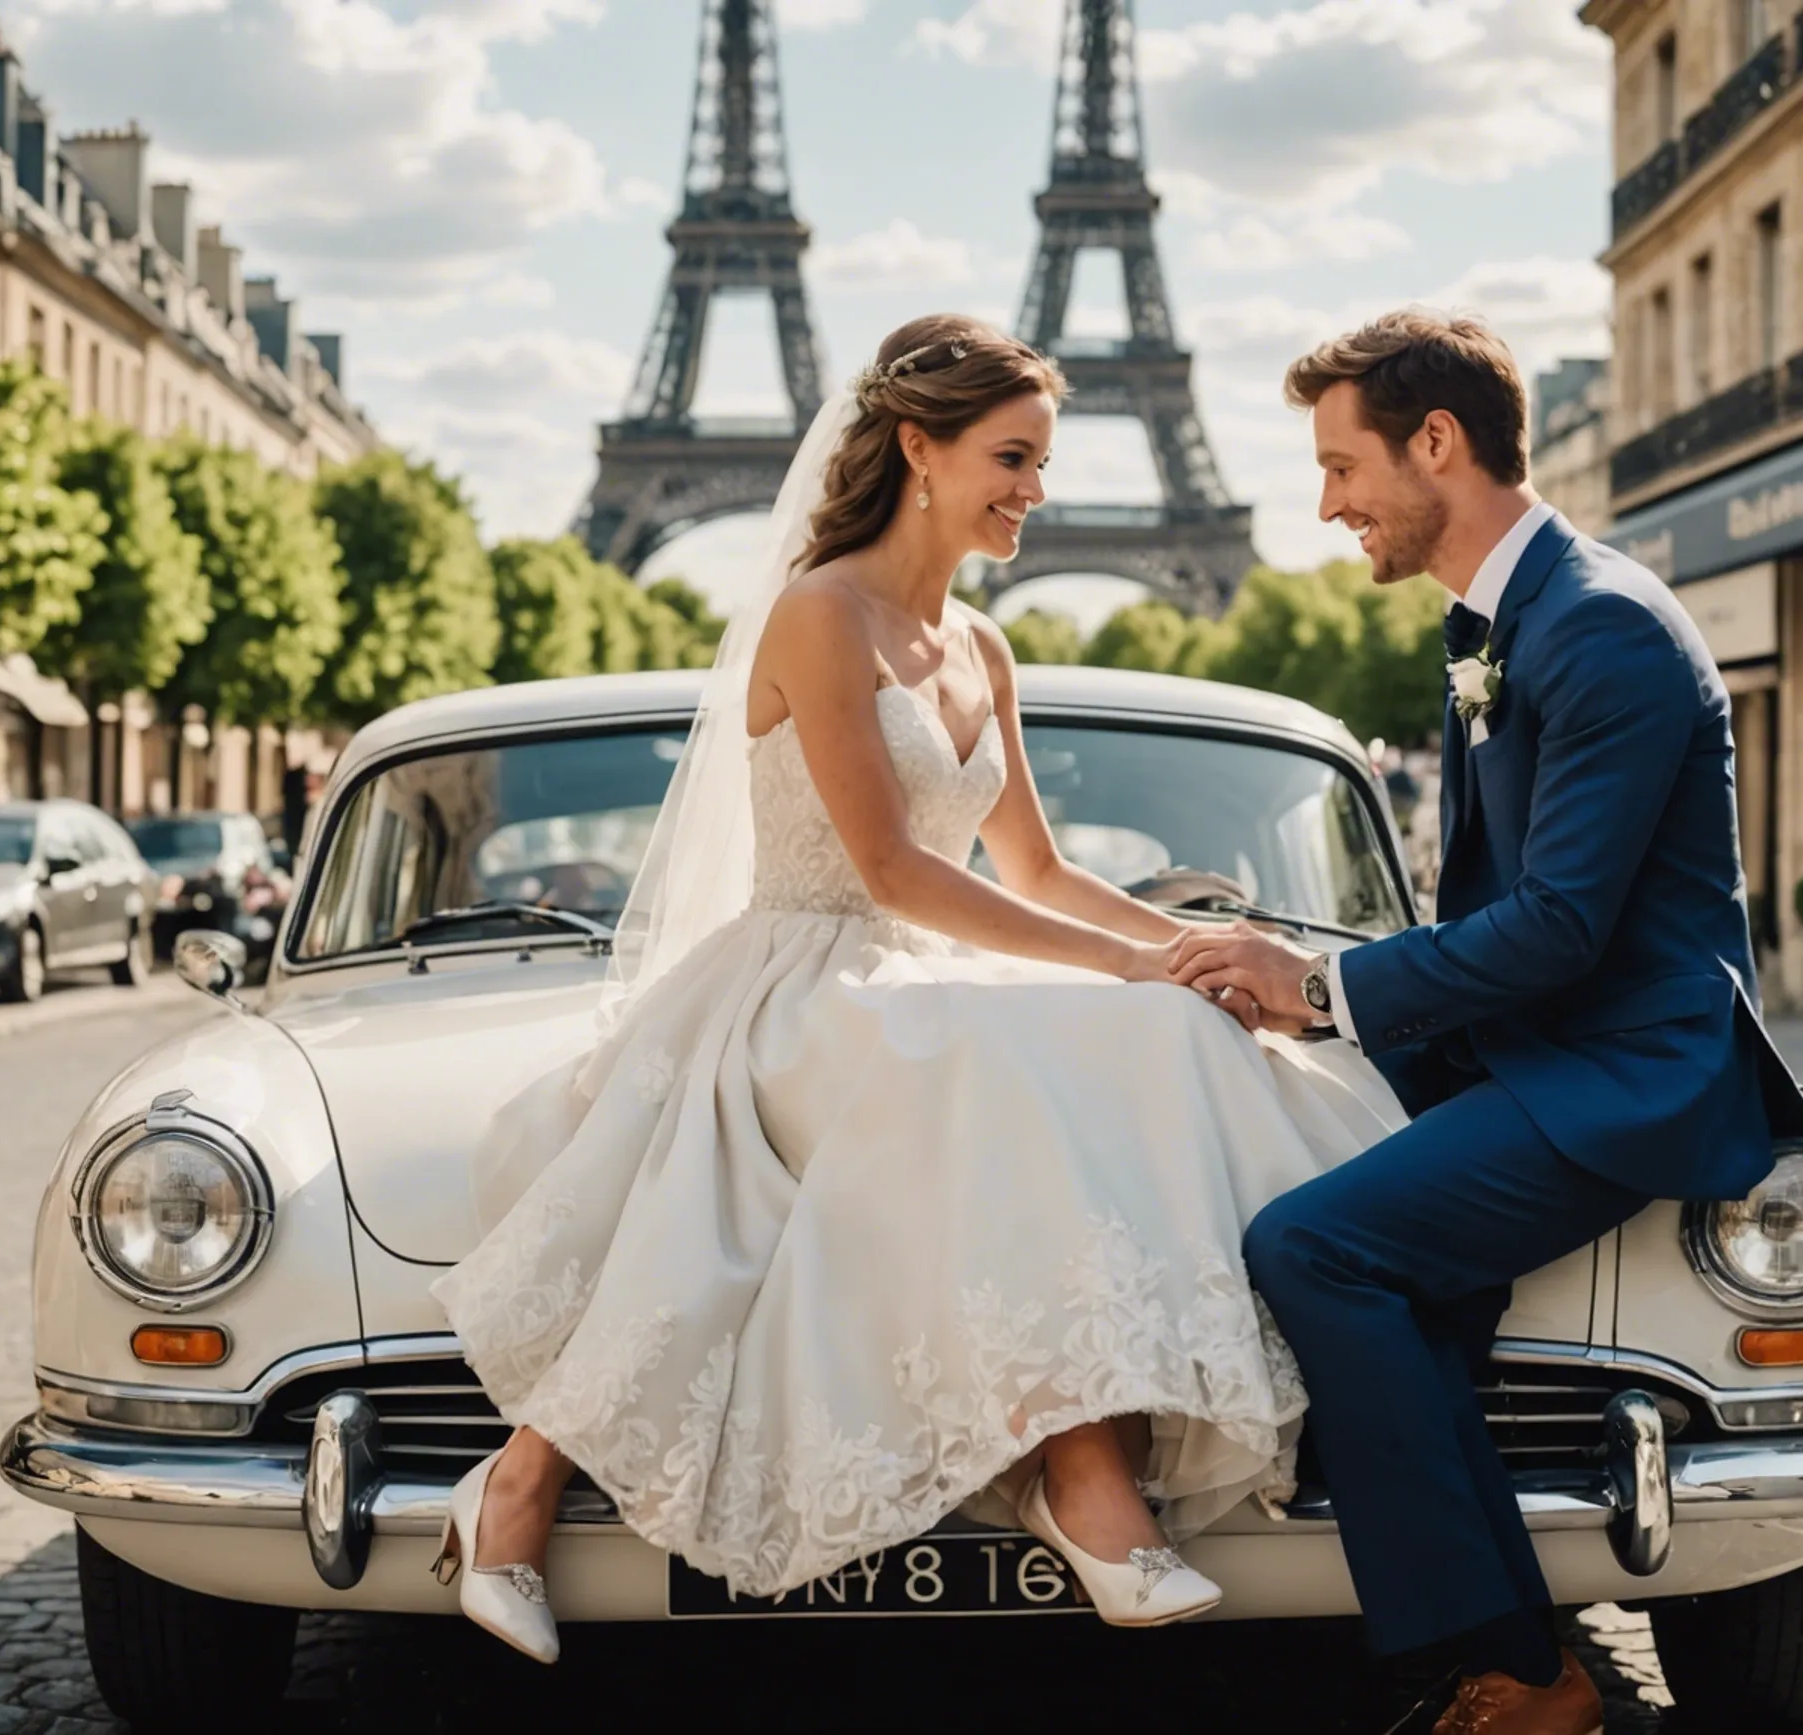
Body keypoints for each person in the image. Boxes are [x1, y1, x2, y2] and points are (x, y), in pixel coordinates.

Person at [426, 315, 1404, 1664]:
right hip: (803, 980)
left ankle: (1090, 1463)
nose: (1037, 490)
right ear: (917, 449)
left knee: (1141, 1029)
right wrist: (1127, 964)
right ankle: (1075, 1480)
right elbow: (888, 867)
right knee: (1005, 1049)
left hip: (921, 982)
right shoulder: (819, 613)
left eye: (1044, 460)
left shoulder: (982, 648)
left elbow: (1041, 871)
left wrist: (1183, 950)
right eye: (1012, 455)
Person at [1167, 312, 1803, 1735]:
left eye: (1344, 465)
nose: (1328, 501)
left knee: (1313, 1244)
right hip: (1538, 1053)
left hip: (1623, 1076)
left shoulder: (1600, 627)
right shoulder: (1509, 623)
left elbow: (1564, 924)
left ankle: (1515, 1667)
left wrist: (1321, 988)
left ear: (1438, 443)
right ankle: (1495, 1637)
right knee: (1375, 1262)